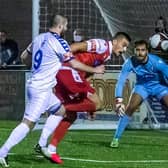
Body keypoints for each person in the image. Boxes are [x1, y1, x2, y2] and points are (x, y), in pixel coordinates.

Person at [0, 14, 104, 167]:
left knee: (60, 110)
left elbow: (23, 57)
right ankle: (2, 152)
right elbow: (74, 64)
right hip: (41, 89)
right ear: (60, 26)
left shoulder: (39, 38)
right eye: (66, 26)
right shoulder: (59, 41)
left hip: (39, 86)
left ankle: (41, 145)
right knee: (28, 123)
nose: (67, 29)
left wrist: (36, 70)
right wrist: (95, 69)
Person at [38, 32, 131, 164]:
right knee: (97, 103)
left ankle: (51, 149)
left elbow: (88, 76)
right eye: (124, 45)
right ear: (115, 42)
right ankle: (58, 107)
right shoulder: (102, 45)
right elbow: (76, 46)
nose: (124, 49)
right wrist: (61, 62)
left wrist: (89, 106)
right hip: (68, 70)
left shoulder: (105, 56)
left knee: (72, 115)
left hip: (72, 74)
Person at [110, 40, 168, 148]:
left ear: (147, 51)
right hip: (142, 86)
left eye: (143, 50)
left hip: (159, 86)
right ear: (134, 51)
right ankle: (116, 138)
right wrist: (118, 101)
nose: (140, 53)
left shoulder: (157, 62)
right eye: (137, 50)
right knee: (130, 108)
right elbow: (121, 81)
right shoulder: (129, 63)